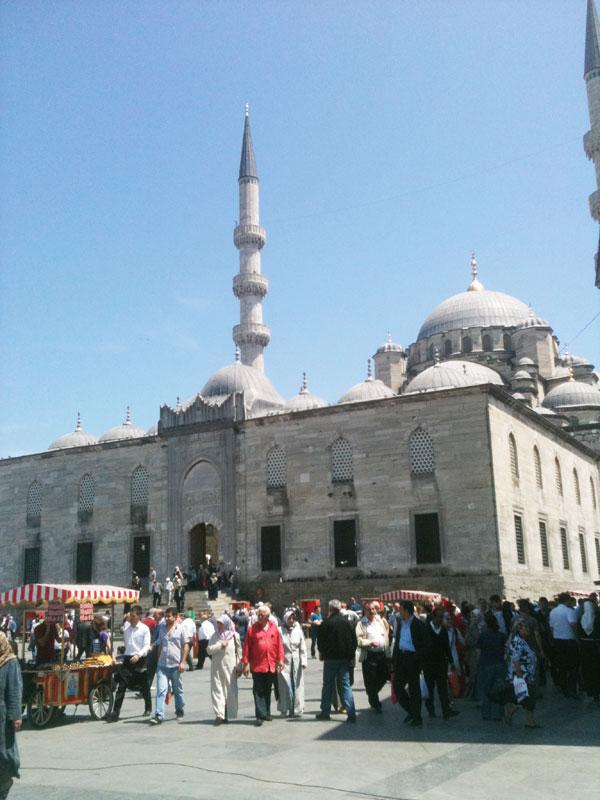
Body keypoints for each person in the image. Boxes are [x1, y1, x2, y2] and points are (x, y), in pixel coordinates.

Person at [316, 599, 357, 723]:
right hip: (344, 659)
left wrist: (322, 652)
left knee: (327, 685)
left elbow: (320, 641)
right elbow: (354, 641)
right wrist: (350, 655)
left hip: (330, 659)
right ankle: (351, 713)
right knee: (345, 685)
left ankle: (325, 711)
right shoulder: (347, 623)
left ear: (330, 609)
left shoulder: (326, 623)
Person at [107, 605, 151, 722]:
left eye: (133, 615)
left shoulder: (144, 629)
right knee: (122, 685)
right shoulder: (126, 627)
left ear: (139, 616)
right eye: (130, 615)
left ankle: (148, 706)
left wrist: (138, 655)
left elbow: (147, 645)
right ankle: (115, 713)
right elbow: (119, 625)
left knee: (144, 685)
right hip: (127, 658)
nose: (131, 617)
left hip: (139, 659)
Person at [242, 605, 284, 726]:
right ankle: (259, 715)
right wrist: (245, 664)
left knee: (267, 690)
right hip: (257, 665)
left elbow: (279, 645)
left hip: (270, 664)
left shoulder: (274, 628)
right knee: (258, 691)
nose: (259, 617)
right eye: (258, 615)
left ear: (267, 616)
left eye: (262, 615)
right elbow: (247, 647)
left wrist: (280, 659)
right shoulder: (252, 629)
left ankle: (266, 713)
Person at [150, 606, 190, 725]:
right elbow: (160, 643)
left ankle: (179, 710)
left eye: (169, 616)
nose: (166, 618)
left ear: (175, 616)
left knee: (177, 690)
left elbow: (186, 646)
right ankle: (159, 715)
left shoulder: (182, 628)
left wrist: (183, 662)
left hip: (175, 665)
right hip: (162, 665)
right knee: (161, 690)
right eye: (165, 616)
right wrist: (157, 659)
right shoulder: (161, 628)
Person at [392, 600, 429, 727]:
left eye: (400, 610)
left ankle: (417, 717)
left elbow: (425, 644)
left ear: (406, 611)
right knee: (397, 686)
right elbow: (397, 642)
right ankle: (412, 711)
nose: (399, 612)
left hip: (413, 659)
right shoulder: (400, 623)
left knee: (414, 689)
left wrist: (419, 659)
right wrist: (394, 659)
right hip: (402, 658)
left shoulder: (418, 625)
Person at [422, 605, 459, 720]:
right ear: (433, 617)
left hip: (441, 663)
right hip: (428, 664)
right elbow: (421, 647)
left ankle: (446, 711)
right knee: (430, 689)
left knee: (443, 688)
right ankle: (430, 710)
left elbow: (447, 647)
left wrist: (451, 661)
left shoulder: (443, 630)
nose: (440, 619)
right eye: (439, 617)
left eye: (442, 617)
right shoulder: (426, 629)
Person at [504, 619, 540, 728]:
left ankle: (530, 721)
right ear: (519, 629)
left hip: (528, 675)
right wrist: (520, 677)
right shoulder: (517, 642)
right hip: (521, 676)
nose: (528, 630)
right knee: (523, 698)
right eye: (526, 628)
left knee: (529, 699)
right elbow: (516, 660)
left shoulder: (524, 640)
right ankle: (509, 710)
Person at [207, 615, 242, 724]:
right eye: (218, 623)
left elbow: (239, 652)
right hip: (216, 668)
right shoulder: (214, 636)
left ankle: (229, 713)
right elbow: (209, 650)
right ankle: (219, 715)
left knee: (230, 689)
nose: (219, 625)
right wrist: (220, 646)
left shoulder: (235, 636)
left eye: (221, 623)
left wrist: (240, 666)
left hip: (230, 668)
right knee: (217, 689)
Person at [356, 601, 389, 714]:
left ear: (376, 610)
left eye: (373, 609)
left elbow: (387, 632)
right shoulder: (361, 623)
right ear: (364, 611)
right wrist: (369, 642)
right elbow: (359, 640)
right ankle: (375, 703)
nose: (371, 611)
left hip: (382, 654)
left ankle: (372, 692)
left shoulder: (380, 621)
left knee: (384, 676)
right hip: (369, 655)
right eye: (369, 609)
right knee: (370, 681)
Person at [0, 632, 22, 800]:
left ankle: (4, 784)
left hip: (3, 716)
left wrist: (15, 716)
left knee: (4, 754)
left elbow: (14, 691)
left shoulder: (10, 662)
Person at [477, 610, 507, 721]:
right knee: (498, 689)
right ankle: (497, 714)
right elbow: (505, 649)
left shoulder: (483, 635)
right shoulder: (501, 635)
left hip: (486, 664)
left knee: (486, 689)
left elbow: (479, 650)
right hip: (499, 664)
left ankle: (486, 713)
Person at [278, 610, 308, 717]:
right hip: (284, 661)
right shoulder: (279, 631)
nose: (291, 620)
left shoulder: (298, 630)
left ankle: (297, 709)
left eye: (292, 618)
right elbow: (277, 647)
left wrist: (303, 661)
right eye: (289, 618)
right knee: (284, 685)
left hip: (296, 661)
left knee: (298, 685)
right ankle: (284, 708)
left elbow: (303, 647)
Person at [549, 592, 579, 698]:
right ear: (567, 600)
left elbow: (551, 628)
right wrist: (577, 639)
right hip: (569, 641)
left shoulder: (552, 612)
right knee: (573, 666)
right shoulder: (569, 611)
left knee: (561, 666)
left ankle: (564, 688)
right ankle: (572, 689)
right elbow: (573, 625)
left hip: (558, 641)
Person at [578, 593, 600, 704]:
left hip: (585, 649)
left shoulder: (581, 619)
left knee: (589, 670)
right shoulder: (596, 619)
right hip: (595, 648)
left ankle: (592, 692)